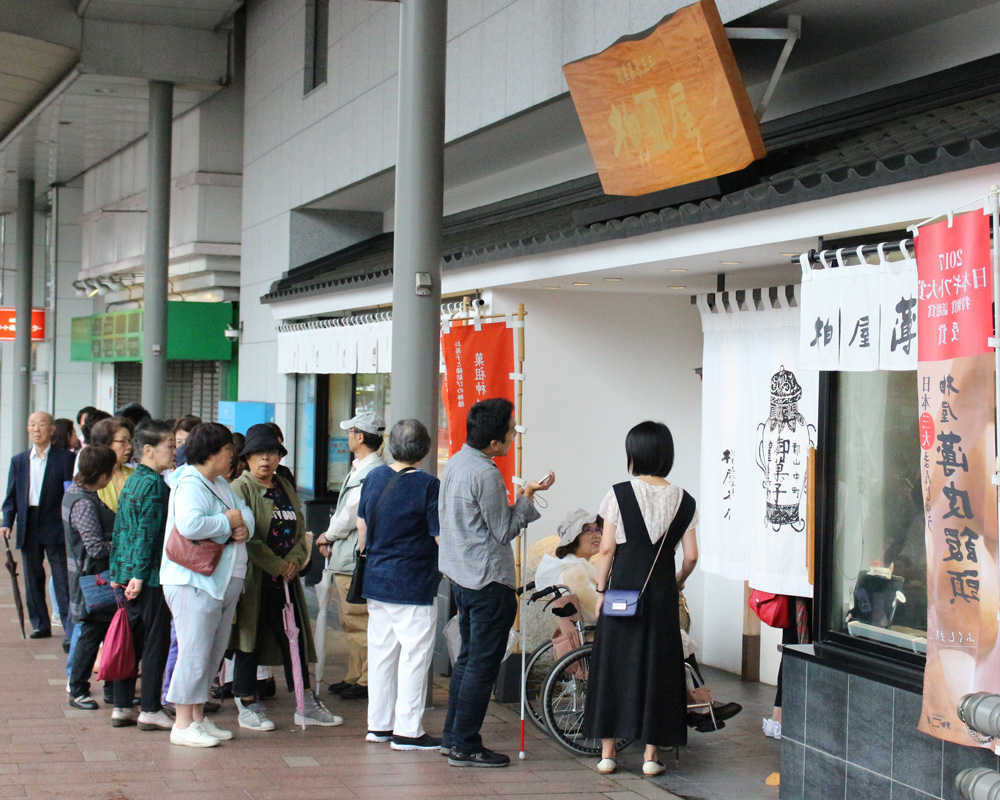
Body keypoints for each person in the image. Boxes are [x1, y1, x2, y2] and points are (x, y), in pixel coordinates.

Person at [438, 397, 554, 768]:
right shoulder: (486, 473)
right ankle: (466, 744)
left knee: (468, 660)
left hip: (462, 578)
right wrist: (526, 498)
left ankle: (452, 738)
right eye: (509, 432)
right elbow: (503, 531)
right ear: (493, 443)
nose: (511, 436)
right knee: (480, 666)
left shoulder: (456, 462)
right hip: (488, 582)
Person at [583, 421, 698, 777]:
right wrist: (677, 582)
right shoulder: (686, 500)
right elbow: (691, 555)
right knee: (659, 668)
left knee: (614, 664)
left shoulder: (618, 494)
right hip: (661, 591)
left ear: (633, 454)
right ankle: (650, 756)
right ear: (667, 455)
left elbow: (606, 548)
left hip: (622, 591)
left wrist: (601, 590)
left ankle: (607, 754)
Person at [229, 424, 341, 730]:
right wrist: (277, 565)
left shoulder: (284, 485)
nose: (265, 459)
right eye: (258, 453)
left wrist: (292, 560)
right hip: (254, 580)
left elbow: (298, 526)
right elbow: (246, 536)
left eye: (272, 453)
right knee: (248, 640)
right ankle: (246, 702)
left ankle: (305, 704)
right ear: (247, 458)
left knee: (295, 637)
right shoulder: (241, 488)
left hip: (286, 581)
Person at [160, 422, 253, 748]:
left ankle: (198, 717)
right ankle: (183, 723)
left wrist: (243, 527)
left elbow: (245, 514)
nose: (233, 457)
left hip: (217, 583)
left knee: (210, 655)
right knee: (194, 653)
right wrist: (228, 523)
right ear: (213, 452)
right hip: (193, 583)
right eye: (229, 451)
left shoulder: (219, 483)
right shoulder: (190, 482)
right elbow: (190, 524)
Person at [358, 419, 441, 751]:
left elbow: (363, 526)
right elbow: (438, 536)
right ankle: (407, 730)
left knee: (381, 654)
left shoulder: (375, 476)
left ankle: (378, 726)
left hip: (376, 579)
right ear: (425, 449)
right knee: (414, 656)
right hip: (413, 582)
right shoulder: (428, 485)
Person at [108, 420, 177, 732]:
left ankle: (123, 706)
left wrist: (119, 572)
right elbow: (147, 535)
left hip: (126, 574)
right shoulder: (156, 486)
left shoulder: (134, 481)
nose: (175, 451)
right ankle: (149, 707)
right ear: (148, 450)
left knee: (128, 641)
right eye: (170, 446)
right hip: (147, 578)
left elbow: (122, 530)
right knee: (154, 643)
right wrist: (138, 574)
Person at [317, 410, 386, 701]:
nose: (347, 437)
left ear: (359, 436)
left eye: (349, 432)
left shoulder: (370, 471)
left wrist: (327, 535)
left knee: (358, 618)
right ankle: (355, 675)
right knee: (351, 620)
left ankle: (368, 679)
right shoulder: (363, 466)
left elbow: (349, 513)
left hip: (352, 557)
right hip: (347, 555)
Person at [1, 411, 76, 643]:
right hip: (28, 522)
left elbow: (70, 492)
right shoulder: (19, 460)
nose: (36, 429)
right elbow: (11, 495)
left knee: (62, 579)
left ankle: (69, 631)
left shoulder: (65, 458)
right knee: (32, 577)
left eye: (41, 424)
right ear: (27, 428)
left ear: (52, 429)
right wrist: (6, 522)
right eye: (32, 424)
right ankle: (40, 624)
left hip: (55, 522)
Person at [64, 445, 118, 712]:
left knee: (105, 632)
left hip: (90, 579)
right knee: (92, 634)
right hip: (93, 581)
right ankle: (78, 689)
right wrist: (122, 545)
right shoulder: (84, 502)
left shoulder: (76, 492)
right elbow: (95, 547)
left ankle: (109, 689)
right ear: (101, 475)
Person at [534, 509, 603, 624]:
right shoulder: (575, 571)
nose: (596, 535)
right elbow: (599, 611)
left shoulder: (570, 566)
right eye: (587, 530)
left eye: (597, 530)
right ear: (574, 538)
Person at [87, 417, 135, 513]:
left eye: (129, 441)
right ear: (105, 443)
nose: (129, 447)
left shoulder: (134, 475)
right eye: (123, 442)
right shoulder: (92, 476)